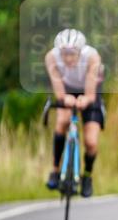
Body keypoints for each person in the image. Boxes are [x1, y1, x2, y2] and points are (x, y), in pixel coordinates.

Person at [44, 29, 105, 197]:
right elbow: (58, 89)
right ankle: (55, 171)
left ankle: (87, 176)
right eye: (64, 54)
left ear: (80, 51)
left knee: (91, 142)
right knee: (62, 120)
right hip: (67, 89)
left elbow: (91, 94)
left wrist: (85, 100)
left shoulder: (92, 57)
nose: (68, 58)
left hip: (90, 89)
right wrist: (65, 98)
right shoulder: (51, 57)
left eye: (72, 54)